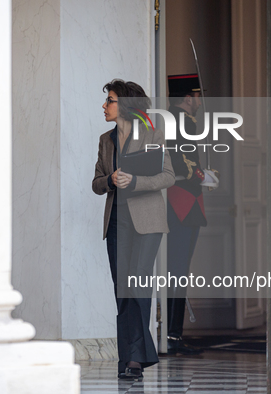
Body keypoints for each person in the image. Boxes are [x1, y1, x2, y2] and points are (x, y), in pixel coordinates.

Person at [92, 79, 175, 379]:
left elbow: (168, 176)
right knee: (122, 292)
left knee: (138, 289)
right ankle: (128, 357)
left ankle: (136, 359)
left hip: (147, 222)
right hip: (116, 221)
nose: (104, 106)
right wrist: (110, 180)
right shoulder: (105, 140)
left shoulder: (152, 132)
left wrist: (136, 182)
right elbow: (96, 183)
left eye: (110, 100)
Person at [166, 73, 218, 355]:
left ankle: (174, 333)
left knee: (178, 271)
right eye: (197, 95)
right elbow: (180, 162)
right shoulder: (181, 121)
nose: (199, 100)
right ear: (188, 98)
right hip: (181, 203)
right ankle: (173, 335)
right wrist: (202, 176)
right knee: (177, 272)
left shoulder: (182, 120)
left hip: (185, 203)